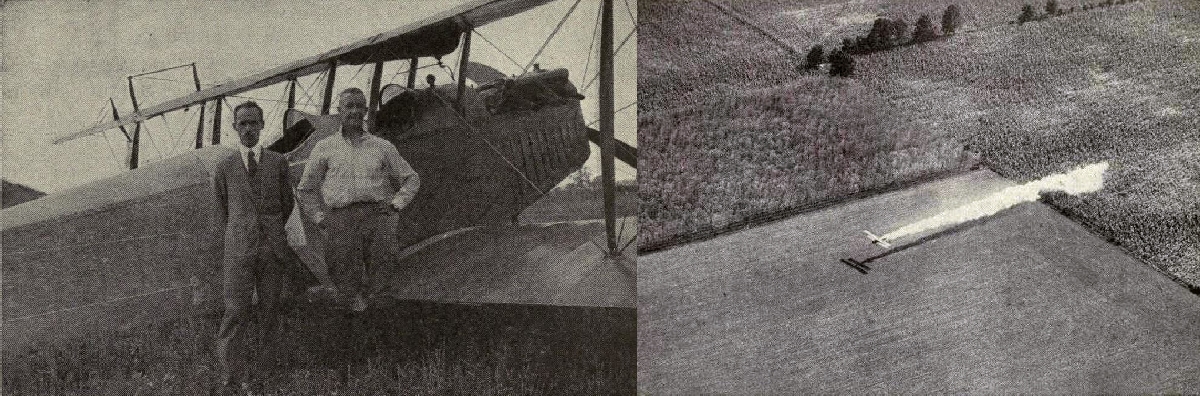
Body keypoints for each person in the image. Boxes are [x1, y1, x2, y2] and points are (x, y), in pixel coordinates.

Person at [212, 101, 315, 390]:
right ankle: (231, 378)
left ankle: (265, 375)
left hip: (271, 251)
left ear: (261, 126)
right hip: (239, 253)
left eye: (253, 123)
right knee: (235, 312)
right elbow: (222, 212)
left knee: (270, 311)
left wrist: (271, 234)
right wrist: (239, 237)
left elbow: (285, 204)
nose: (248, 129)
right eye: (242, 124)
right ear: (234, 128)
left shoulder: (277, 163)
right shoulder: (224, 168)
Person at [296, 87, 420, 312]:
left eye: (358, 106)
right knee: (344, 288)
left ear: (365, 110)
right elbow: (306, 189)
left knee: (382, 286)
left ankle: (381, 337)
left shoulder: (382, 146)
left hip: (377, 219)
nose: (354, 111)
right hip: (341, 221)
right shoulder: (325, 147)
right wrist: (320, 218)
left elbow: (411, 179)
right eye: (348, 106)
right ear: (339, 111)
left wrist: (395, 205)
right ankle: (350, 341)